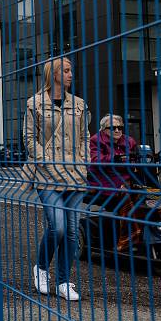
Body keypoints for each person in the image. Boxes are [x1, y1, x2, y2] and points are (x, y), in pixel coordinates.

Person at [24, 57, 90, 302]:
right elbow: (29, 139)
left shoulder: (80, 104)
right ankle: (41, 268)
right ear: (53, 74)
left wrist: (83, 163)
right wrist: (48, 163)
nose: (71, 74)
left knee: (72, 232)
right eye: (66, 70)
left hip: (75, 176)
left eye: (71, 69)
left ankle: (63, 281)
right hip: (47, 175)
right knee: (58, 226)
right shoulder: (35, 103)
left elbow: (85, 137)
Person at [88, 114, 140, 251]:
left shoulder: (129, 141)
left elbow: (137, 158)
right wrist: (117, 158)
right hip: (104, 180)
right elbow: (96, 160)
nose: (117, 130)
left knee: (160, 194)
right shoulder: (96, 140)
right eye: (113, 128)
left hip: (127, 179)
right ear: (104, 129)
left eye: (120, 127)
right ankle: (127, 237)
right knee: (125, 193)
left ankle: (160, 230)